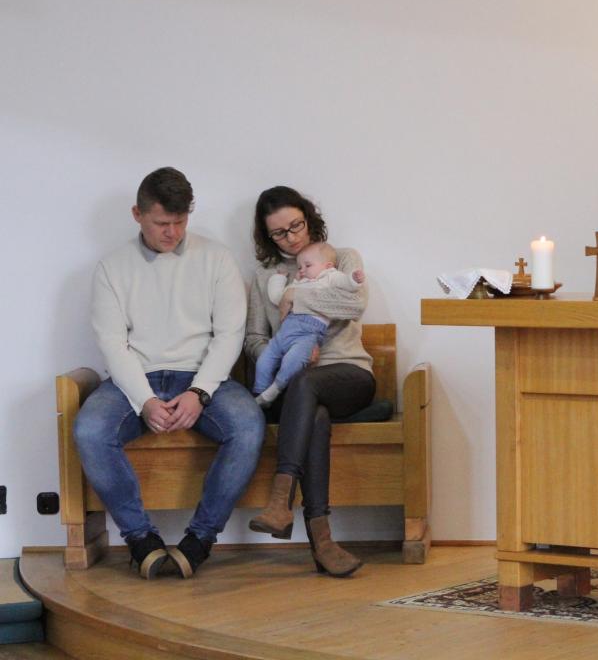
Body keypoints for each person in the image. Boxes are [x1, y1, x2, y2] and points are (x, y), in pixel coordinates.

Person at [74, 167, 265, 579]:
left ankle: (200, 539)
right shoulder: (112, 267)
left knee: (248, 426)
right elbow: (113, 344)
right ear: (137, 214)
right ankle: (141, 539)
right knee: (90, 430)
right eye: (162, 223)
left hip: (202, 376)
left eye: (180, 221)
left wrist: (200, 392)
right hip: (135, 380)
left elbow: (229, 334)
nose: (172, 232)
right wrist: (144, 400)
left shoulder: (216, 258)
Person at [244, 186, 374, 577]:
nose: (291, 238)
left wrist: (295, 299)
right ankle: (323, 540)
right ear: (268, 236)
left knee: (308, 386)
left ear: (308, 217)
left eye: (296, 226)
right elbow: (254, 339)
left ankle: (279, 500)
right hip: (294, 381)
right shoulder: (265, 276)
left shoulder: (342, 259)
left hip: (349, 374)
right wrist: (285, 353)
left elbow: (354, 305)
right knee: (311, 407)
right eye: (279, 233)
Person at [252, 242, 365, 408]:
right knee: (264, 361)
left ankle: (274, 389)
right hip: (284, 333)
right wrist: (279, 279)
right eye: (300, 267)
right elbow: (277, 297)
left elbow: (352, 297)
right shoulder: (299, 282)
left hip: (307, 333)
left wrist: (354, 279)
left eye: (308, 266)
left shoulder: (329, 277)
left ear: (328, 266)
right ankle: (259, 393)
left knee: (293, 362)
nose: (302, 270)